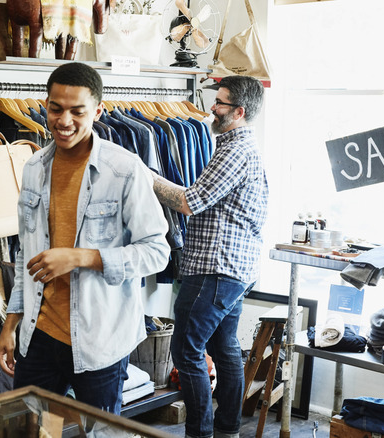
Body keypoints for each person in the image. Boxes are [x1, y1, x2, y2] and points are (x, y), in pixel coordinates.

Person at [0, 62, 170, 414]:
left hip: (100, 340)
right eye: (56, 109)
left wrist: (81, 257)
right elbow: (24, 254)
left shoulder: (124, 169)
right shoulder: (33, 168)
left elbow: (157, 252)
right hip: (38, 336)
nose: (64, 121)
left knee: (102, 434)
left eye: (77, 111)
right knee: (30, 430)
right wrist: (11, 323)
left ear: (98, 112)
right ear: (46, 105)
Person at [150, 75, 268, 438]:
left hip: (215, 269)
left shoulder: (235, 150)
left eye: (220, 102)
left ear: (240, 111)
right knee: (224, 346)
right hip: (231, 268)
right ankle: (228, 428)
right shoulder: (235, 145)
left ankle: (200, 433)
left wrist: (146, 176)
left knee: (186, 350)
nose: (211, 108)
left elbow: (189, 202)